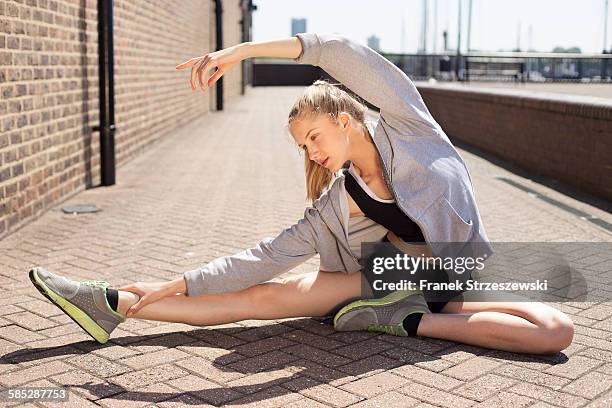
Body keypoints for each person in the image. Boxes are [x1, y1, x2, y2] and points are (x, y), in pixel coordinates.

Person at [28, 33, 573, 354]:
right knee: (261, 299)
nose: (311, 152)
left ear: (343, 119)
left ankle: (395, 320)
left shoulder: (410, 126)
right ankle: (114, 303)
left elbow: (337, 53)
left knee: (557, 329)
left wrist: (239, 52)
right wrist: (175, 282)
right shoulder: (339, 200)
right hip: (381, 282)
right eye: (302, 147)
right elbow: (262, 259)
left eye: (314, 137)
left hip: (453, 282)